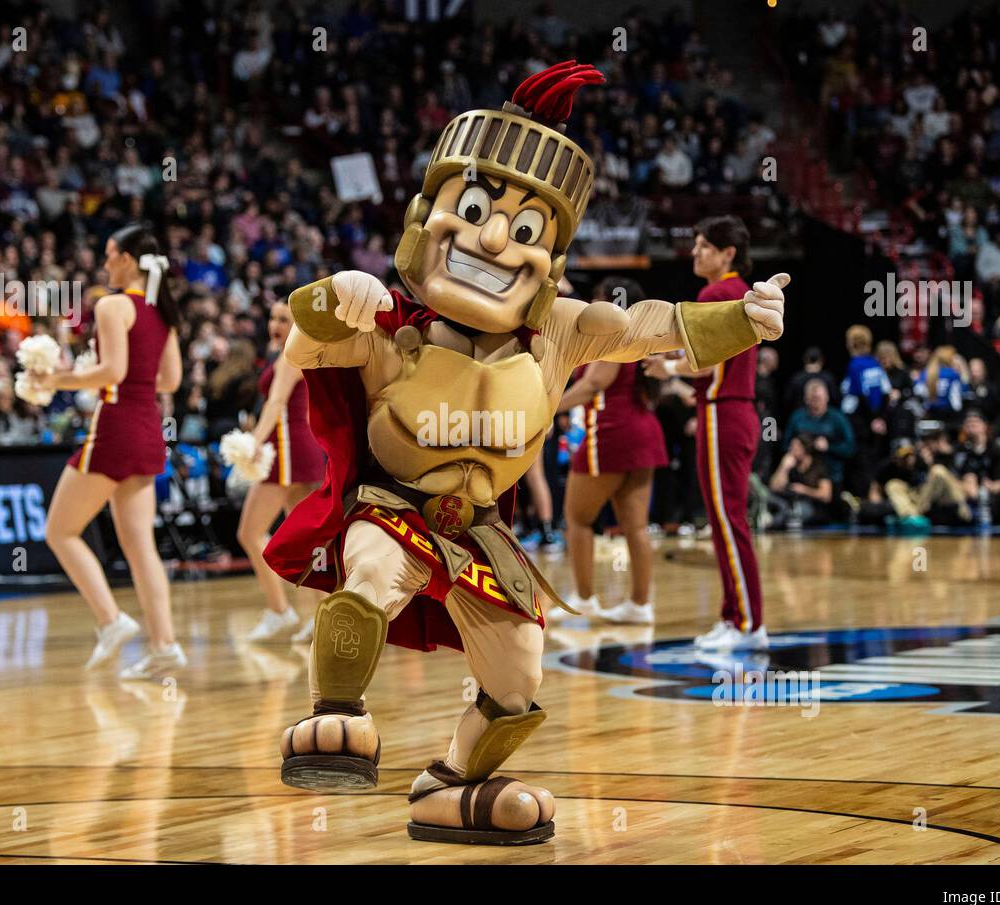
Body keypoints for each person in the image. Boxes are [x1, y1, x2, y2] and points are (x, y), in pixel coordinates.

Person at [262, 62, 789, 845]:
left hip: (478, 530)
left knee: (519, 675)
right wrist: (327, 298)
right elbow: (304, 345)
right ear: (424, 216)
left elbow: (649, 326)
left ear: (554, 258)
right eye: (473, 210)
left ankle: (450, 785)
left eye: (526, 228)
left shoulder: (562, 329)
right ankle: (336, 714)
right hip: (394, 508)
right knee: (369, 572)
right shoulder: (388, 321)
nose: (493, 238)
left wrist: (745, 317)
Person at [34, 223, 187, 680]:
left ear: (126, 259)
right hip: (147, 428)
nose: (105, 264)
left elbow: (111, 371)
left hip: (116, 427)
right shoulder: (162, 309)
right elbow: (171, 381)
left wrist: (56, 379)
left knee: (59, 532)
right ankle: (164, 646)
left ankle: (111, 619)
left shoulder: (112, 304)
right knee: (141, 548)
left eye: (109, 254)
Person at [646, 215, 766, 649]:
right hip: (735, 411)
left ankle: (748, 624)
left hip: (722, 411)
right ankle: (734, 616)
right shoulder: (742, 293)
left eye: (703, 246)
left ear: (727, 253)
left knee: (728, 520)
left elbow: (708, 364)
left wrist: (668, 368)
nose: (694, 253)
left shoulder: (717, 293)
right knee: (725, 519)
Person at [556, 277, 667, 625]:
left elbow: (593, 385)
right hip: (643, 432)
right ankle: (640, 604)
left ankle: (585, 598)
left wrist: (548, 406)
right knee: (635, 526)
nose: (591, 305)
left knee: (577, 519)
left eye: (598, 300)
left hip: (610, 434)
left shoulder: (613, 335)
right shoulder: (641, 335)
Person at [236, 299, 326, 641]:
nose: (275, 324)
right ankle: (320, 616)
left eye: (284, 319)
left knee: (249, 532)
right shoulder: (294, 353)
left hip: (287, 450)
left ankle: (279, 610)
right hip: (297, 449)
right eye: (272, 317)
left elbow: (275, 403)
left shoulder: (292, 354)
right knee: (308, 540)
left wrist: (253, 444)